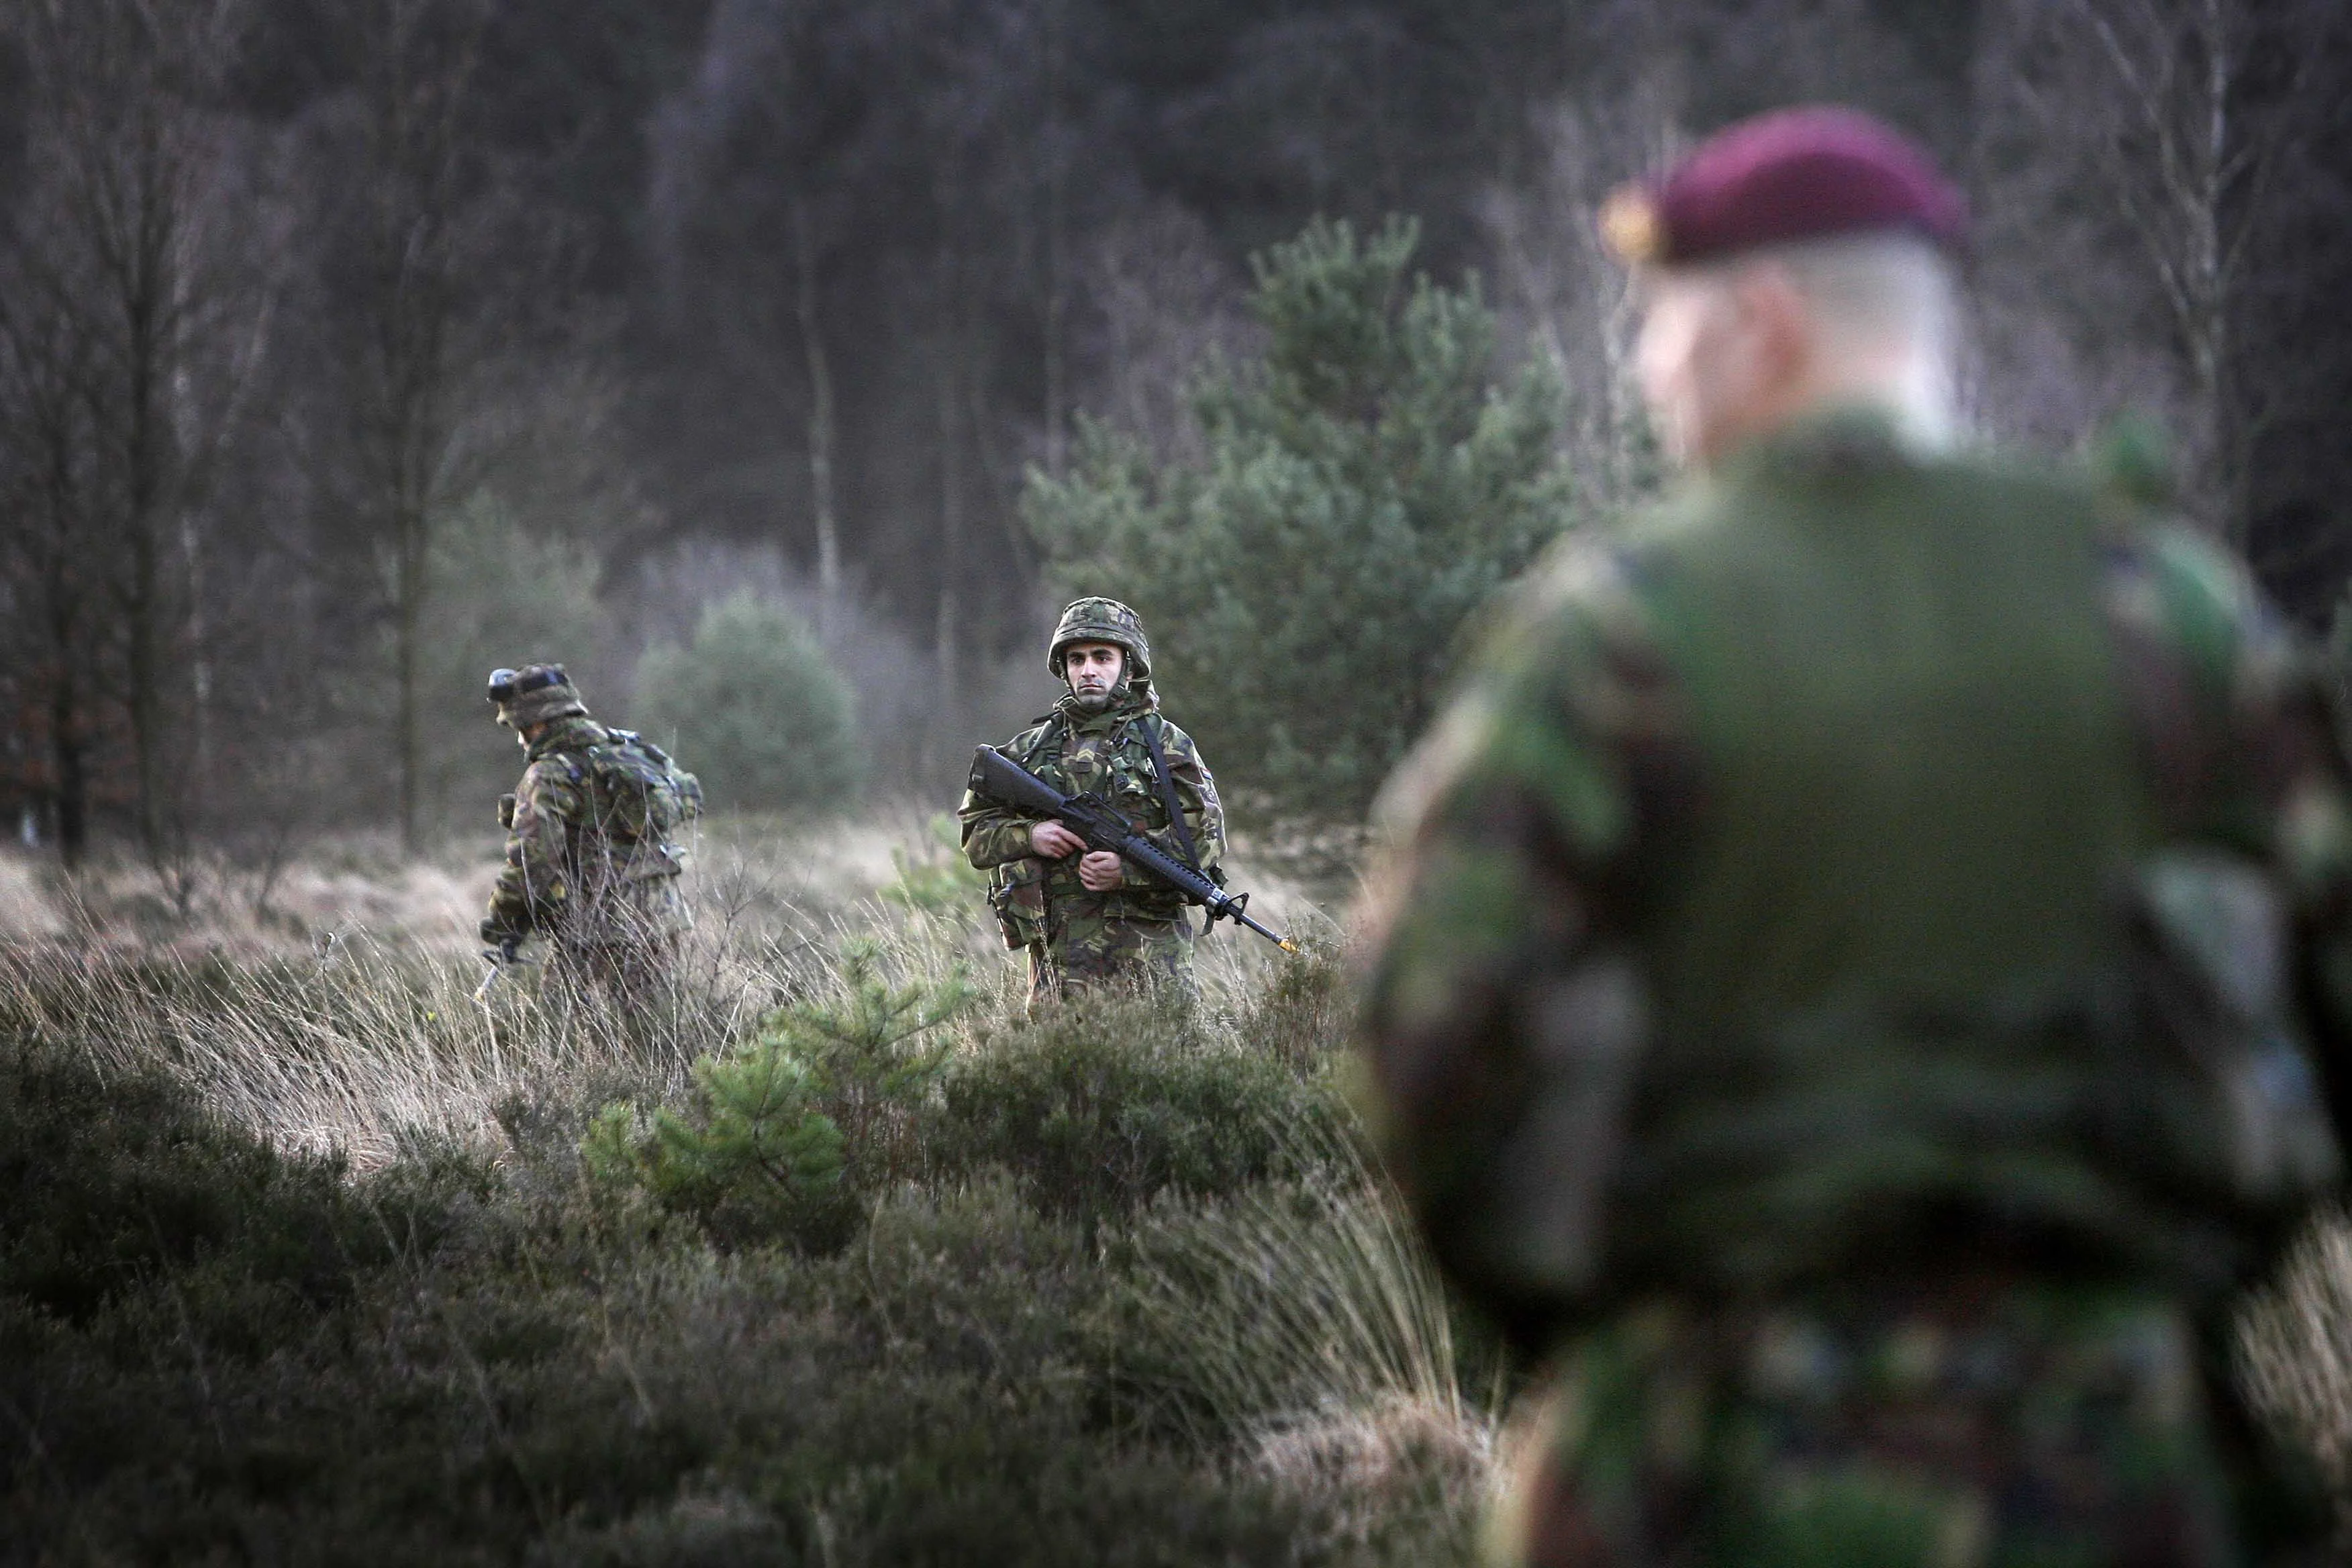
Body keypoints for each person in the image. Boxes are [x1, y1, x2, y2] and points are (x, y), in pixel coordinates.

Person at [1353, 106, 2352, 1566]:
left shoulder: (1619, 628)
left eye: (1663, 324)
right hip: (2111, 1462)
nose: (1644, 368)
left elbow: (1429, 1035)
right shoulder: (2168, 607)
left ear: (1760, 324)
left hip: (1710, 1457)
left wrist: (1593, 1325)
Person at [959, 597, 1226, 1001]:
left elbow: (1206, 839)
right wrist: (1030, 836)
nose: (1088, 670)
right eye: (1076, 659)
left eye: (1102, 657)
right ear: (1064, 670)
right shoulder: (1029, 751)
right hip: (1058, 968)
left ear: (1128, 666)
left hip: (1152, 965)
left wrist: (1126, 871)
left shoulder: (1166, 745)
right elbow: (975, 833)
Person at [479, 663, 702, 1022]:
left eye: (520, 729)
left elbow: (531, 861)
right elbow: (689, 799)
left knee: (560, 1029)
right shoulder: (635, 752)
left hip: (594, 928)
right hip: (662, 920)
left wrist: (502, 921)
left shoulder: (548, 774)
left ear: (538, 724)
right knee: (654, 1029)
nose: (521, 739)